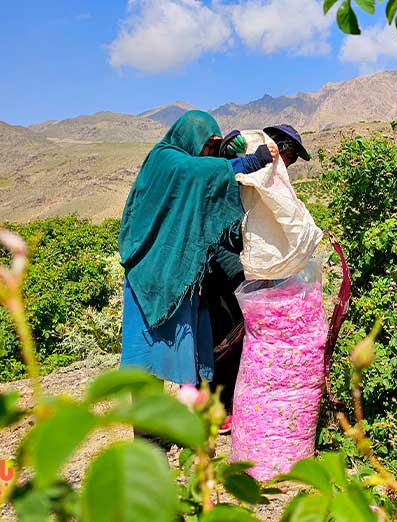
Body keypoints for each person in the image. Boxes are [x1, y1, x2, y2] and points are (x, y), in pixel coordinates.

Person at [118, 110, 277, 449]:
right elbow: (196, 173)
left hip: (179, 278)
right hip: (151, 279)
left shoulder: (190, 168)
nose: (209, 153)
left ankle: (184, 426)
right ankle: (146, 437)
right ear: (190, 138)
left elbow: (206, 190)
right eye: (208, 145)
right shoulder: (166, 159)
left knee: (183, 354)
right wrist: (248, 162)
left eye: (214, 147)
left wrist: (225, 155)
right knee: (147, 360)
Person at [206, 123, 312, 435]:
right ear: (280, 147)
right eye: (290, 156)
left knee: (236, 335)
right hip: (221, 260)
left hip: (236, 260)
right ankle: (218, 407)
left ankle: (231, 404)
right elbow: (225, 164)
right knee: (226, 334)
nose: (288, 164)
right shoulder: (246, 156)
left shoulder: (267, 175)